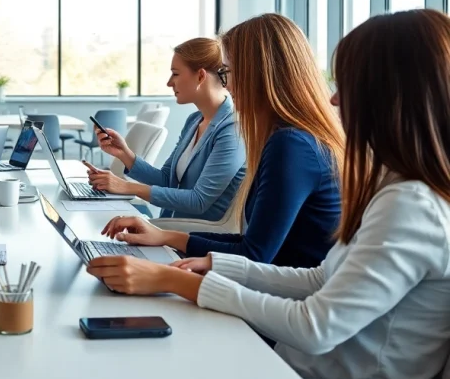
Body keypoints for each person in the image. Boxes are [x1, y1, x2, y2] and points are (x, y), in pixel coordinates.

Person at [86, 9, 450, 379]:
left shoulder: (412, 206)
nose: (336, 100)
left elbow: (315, 326)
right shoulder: (397, 188)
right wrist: (207, 265)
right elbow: (320, 277)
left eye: (349, 85)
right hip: (295, 363)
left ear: (390, 97)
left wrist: (179, 281)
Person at [92, 14, 343, 268]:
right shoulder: (286, 139)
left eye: (227, 72)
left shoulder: (291, 145)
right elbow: (252, 245)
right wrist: (165, 237)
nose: (228, 85)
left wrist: (170, 268)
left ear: (258, 73)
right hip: (272, 283)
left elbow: (255, 254)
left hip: (283, 294)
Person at [85, 37, 246, 220]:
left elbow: (199, 201)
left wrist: (125, 186)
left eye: (175, 74)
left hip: (198, 235)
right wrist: (125, 154)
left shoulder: (232, 130)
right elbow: (166, 179)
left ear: (200, 76)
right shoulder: (194, 121)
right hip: (172, 225)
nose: (169, 83)